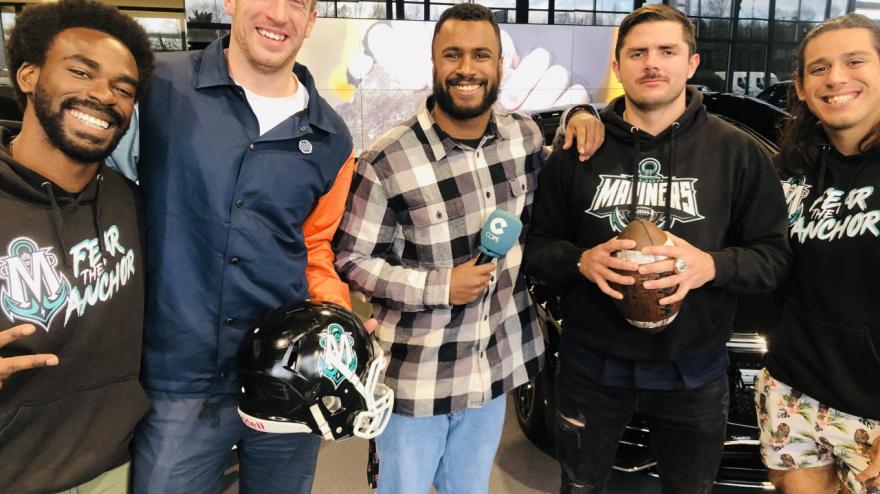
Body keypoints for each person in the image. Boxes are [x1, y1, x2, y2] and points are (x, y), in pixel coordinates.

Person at [332, 4, 602, 493]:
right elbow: (353, 260)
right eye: (452, 54)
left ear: (499, 65)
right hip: (416, 379)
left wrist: (581, 114)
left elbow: (565, 161)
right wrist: (440, 287)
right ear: (434, 63)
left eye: (481, 55)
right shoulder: (387, 159)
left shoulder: (523, 139)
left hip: (489, 371)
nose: (466, 68)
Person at [523, 5, 791, 493]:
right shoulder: (579, 152)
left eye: (667, 51)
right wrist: (580, 261)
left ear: (691, 63)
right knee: (580, 486)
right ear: (617, 66)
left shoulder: (736, 153)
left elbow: (774, 259)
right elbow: (535, 248)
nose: (652, 63)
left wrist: (710, 265)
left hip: (693, 368)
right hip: (592, 364)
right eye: (637, 53)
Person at [112, 0, 357, 491]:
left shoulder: (332, 138)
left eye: (298, 3)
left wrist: (339, 323)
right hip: (176, 379)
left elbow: (314, 248)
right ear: (231, 2)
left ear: (312, 20)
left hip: (287, 380)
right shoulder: (157, 87)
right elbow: (101, 197)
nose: (279, 15)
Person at [0, 1, 154, 492]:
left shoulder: (131, 203)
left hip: (109, 468)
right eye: (81, 72)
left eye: (123, 89)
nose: (104, 95)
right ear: (29, 75)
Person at [756, 14, 880, 494]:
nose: (835, 78)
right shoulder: (790, 169)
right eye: (819, 68)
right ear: (802, 89)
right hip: (791, 389)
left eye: (855, 61)